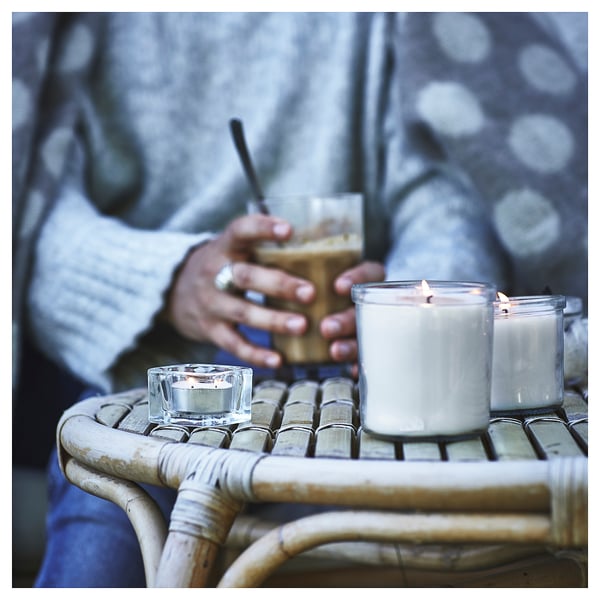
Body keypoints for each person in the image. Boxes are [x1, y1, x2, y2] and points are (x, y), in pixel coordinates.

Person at [11, 12, 585, 587]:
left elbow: (439, 191)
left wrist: (404, 311)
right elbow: (29, 207)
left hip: (340, 338)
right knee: (123, 468)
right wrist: (165, 279)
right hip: (121, 339)